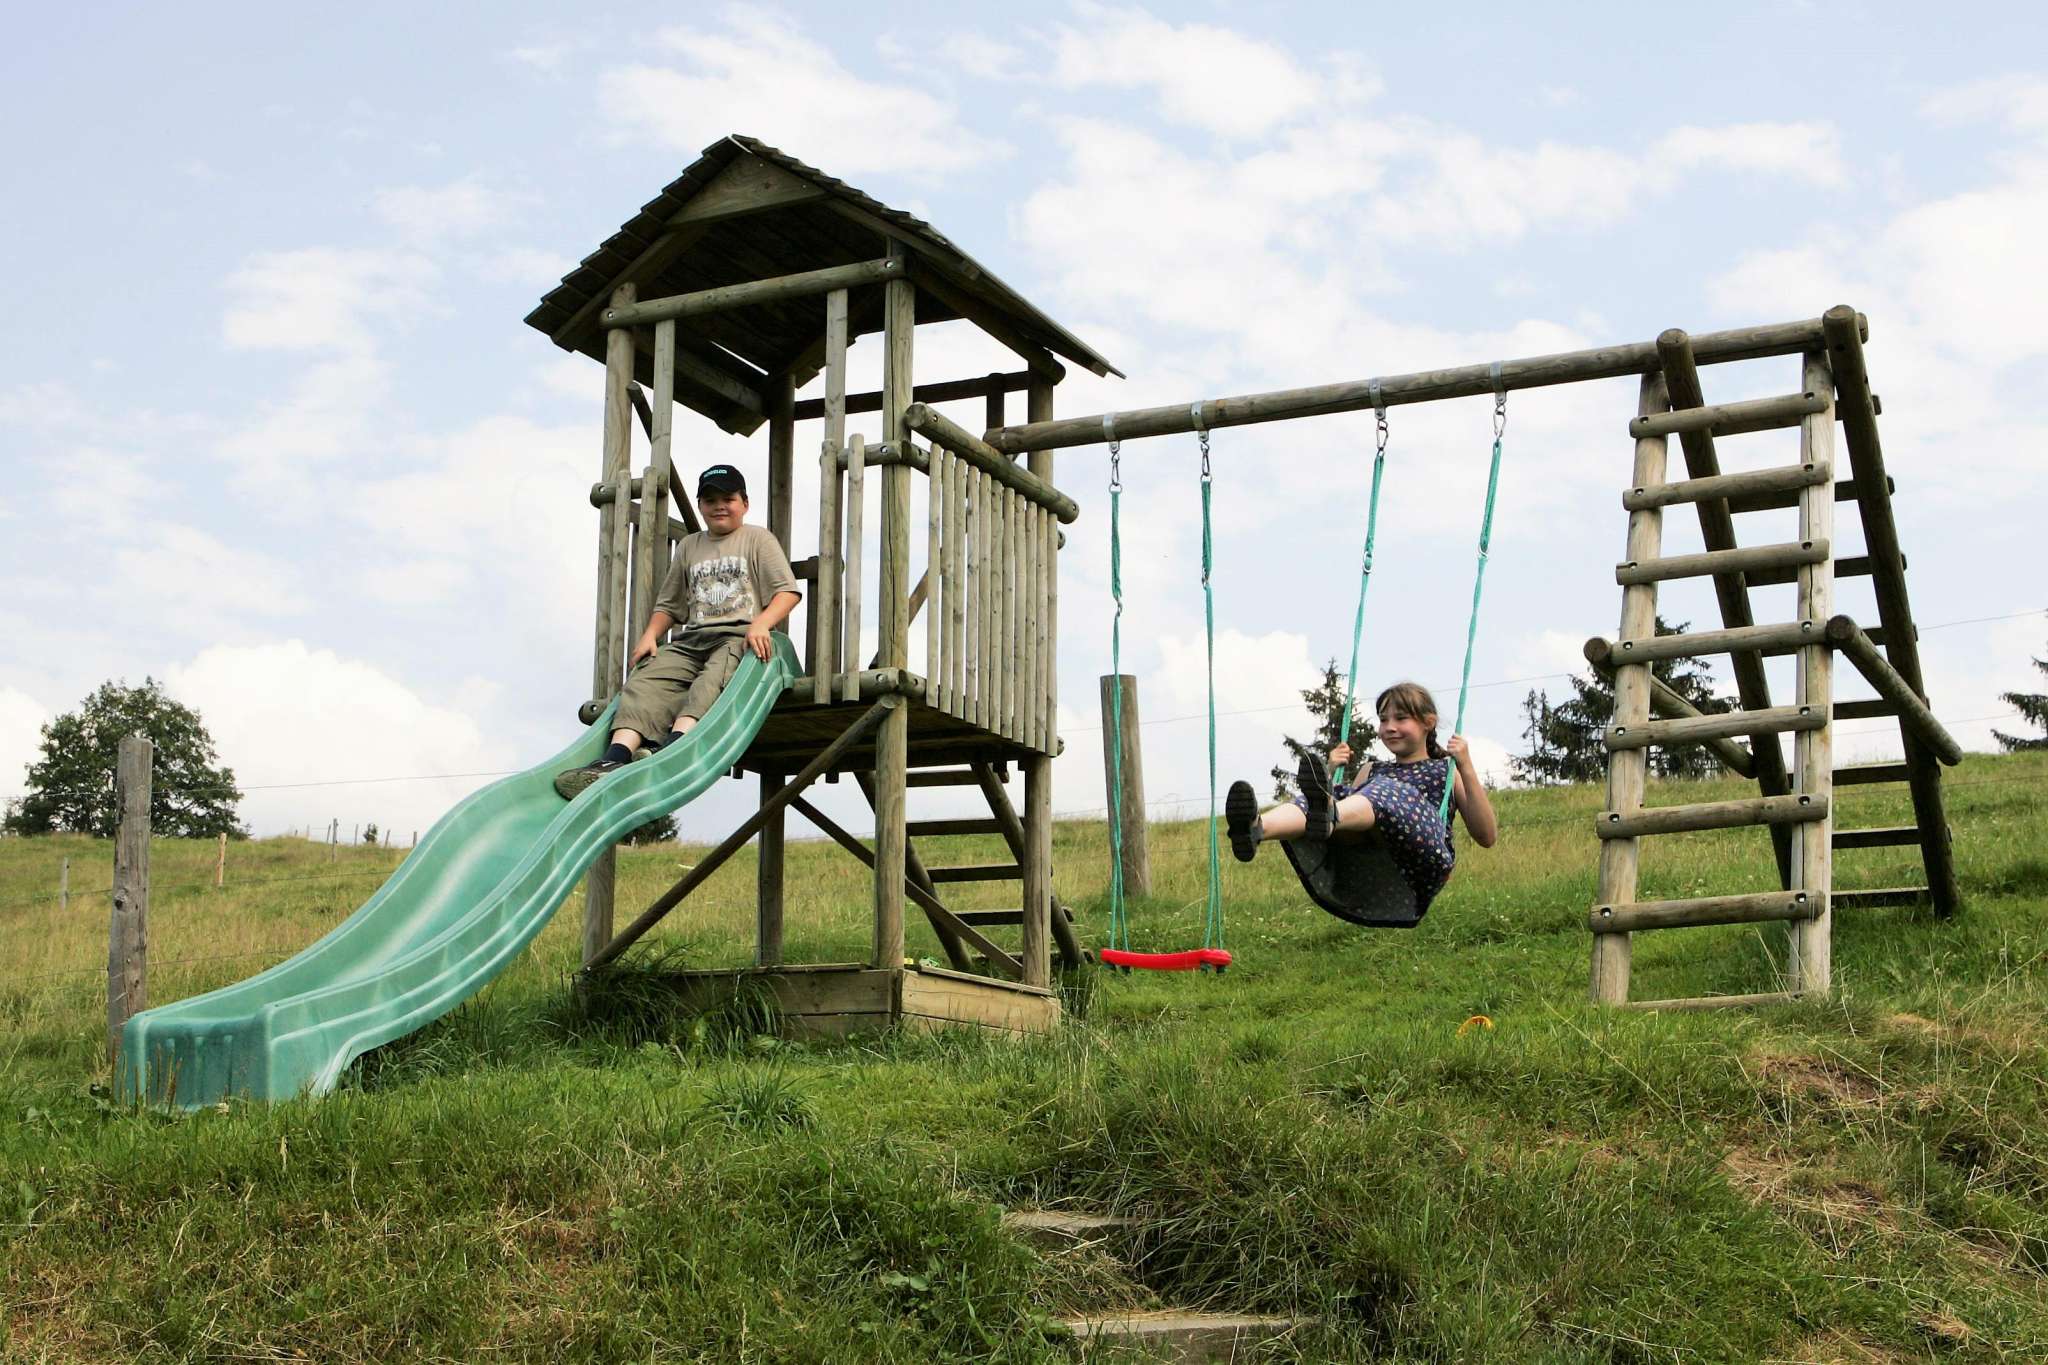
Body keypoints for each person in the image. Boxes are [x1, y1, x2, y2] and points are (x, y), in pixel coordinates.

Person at [554, 464, 800, 799]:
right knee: (647, 678)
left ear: (744, 503)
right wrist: (650, 635)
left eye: (728, 499)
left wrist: (761, 623)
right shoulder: (689, 546)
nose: (719, 506)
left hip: (737, 638)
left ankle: (675, 744)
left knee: (713, 678)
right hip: (692, 640)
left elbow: (787, 592)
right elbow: (669, 605)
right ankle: (616, 756)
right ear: (700, 506)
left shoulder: (757, 539)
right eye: (710, 500)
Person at [1223, 681, 1498, 912]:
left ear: (1429, 723)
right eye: (1383, 719)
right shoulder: (1371, 770)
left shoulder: (1445, 771)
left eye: (1400, 718)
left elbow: (1487, 836)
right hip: (1368, 858)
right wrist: (1330, 772)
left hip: (1422, 860)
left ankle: (1332, 813)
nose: (1389, 727)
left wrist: (1466, 766)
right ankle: (1257, 828)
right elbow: (1353, 821)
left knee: (1385, 791)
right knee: (1330, 798)